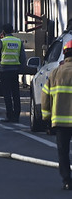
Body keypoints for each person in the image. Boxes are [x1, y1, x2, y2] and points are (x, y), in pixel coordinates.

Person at [42, 39, 72, 190]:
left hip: (60, 122)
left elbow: (45, 97)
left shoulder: (55, 73)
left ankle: (67, 180)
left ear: (64, 53)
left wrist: (47, 118)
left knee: (63, 152)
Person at [0, 23, 26, 123]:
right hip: (15, 71)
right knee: (15, 93)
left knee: (7, 94)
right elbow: (23, 58)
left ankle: (9, 116)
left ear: (3, 32)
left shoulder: (2, 41)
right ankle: (16, 116)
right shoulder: (18, 41)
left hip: (4, 70)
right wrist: (20, 68)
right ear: (13, 30)